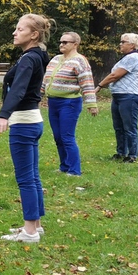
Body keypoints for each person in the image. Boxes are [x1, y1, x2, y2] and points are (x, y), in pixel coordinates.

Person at [0, 13, 52, 244]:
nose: (14, 33)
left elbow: (17, 90)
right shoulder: (36, 55)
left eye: (20, 29)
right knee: (33, 176)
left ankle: (29, 232)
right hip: (33, 120)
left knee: (26, 179)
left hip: (24, 123)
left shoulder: (29, 58)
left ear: (34, 34)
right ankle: (35, 225)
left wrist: (3, 115)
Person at [41, 31, 98, 176]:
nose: (61, 45)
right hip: (53, 102)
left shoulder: (80, 61)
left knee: (67, 136)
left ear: (75, 44)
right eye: (60, 42)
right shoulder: (55, 59)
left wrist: (91, 105)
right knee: (58, 136)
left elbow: (87, 84)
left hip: (69, 103)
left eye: (65, 42)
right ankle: (64, 166)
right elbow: (46, 79)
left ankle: (74, 170)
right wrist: (39, 96)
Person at [96, 33, 138, 163]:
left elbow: (114, 76)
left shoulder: (132, 57)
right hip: (118, 95)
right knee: (118, 126)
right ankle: (121, 152)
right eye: (121, 41)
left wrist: (99, 86)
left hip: (129, 96)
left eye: (124, 42)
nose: (120, 44)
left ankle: (132, 155)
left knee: (129, 126)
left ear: (132, 45)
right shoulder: (125, 58)